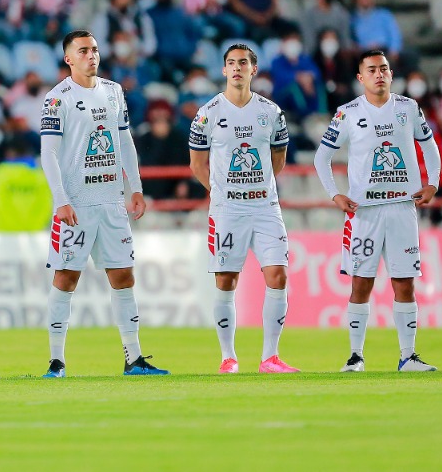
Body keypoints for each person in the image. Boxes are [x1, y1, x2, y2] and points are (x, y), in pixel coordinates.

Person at [38, 31, 167, 379]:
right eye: (83, 51)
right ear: (68, 59)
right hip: (76, 204)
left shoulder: (113, 91)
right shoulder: (57, 98)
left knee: (123, 275)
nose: (91, 55)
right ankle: (56, 361)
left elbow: (124, 140)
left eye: (94, 49)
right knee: (66, 277)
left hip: (111, 201)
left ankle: (134, 358)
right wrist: (61, 199)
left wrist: (135, 187)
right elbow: (47, 152)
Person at [314, 49, 442, 373]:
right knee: (361, 284)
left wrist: (433, 183)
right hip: (365, 212)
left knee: (404, 284)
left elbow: (429, 146)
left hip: (402, 207)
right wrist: (335, 194)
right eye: (372, 70)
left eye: (383, 68)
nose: (379, 74)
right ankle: (355, 356)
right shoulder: (347, 113)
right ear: (361, 77)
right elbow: (321, 157)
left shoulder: (408, 108)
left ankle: (408, 356)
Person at [188, 44, 298, 375]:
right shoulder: (207, 113)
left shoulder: (271, 112)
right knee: (226, 279)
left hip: (265, 207)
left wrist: (256, 186)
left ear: (254, 70)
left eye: (244, 63)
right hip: (227, 210)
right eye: (231, 63)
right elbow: (197, 164)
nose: (237, 68)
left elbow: (278, 159)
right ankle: (228, 357)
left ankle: (270, 357)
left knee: (277, 275)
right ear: (223, 70)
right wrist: (221, 191)